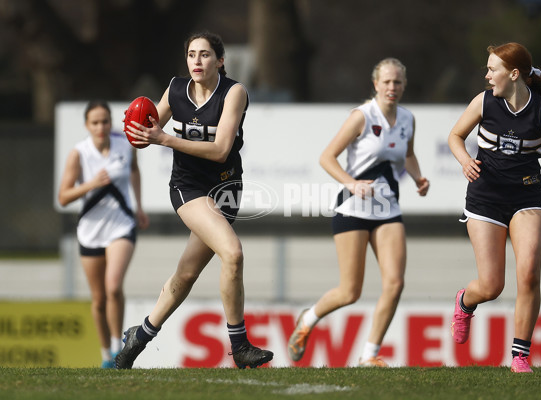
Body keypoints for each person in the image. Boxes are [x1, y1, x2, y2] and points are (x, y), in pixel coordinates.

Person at [115, 31, 273, 369]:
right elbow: (146, 130)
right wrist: (136, 131)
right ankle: (240, 345)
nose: (197, 61)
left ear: (220, 61)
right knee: (232, 253)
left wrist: (163, 139)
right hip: (188, 187)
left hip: (226, 187)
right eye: (191, 55)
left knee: (186, 275)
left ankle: (138, 337)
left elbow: (220, 151)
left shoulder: (234, 92)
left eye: (204, 55)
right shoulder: (175, 89)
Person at [287, 58, 430, 367]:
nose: (392, 87)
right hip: (352, 208)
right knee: (350, 291)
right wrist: (351, 183)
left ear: (404, 86)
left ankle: (369, 356)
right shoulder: (361, 117)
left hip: (387, 208)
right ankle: (308, 319)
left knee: (395, 284)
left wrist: (418, 177)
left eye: (398, 82)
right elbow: (327, 157)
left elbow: (408, 154)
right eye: (387, 82)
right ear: (375, 84)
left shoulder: (407, 119)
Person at [448, 42, 541, 373]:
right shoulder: (483, 102)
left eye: (493, 69)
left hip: (527, 197)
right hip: (485, 199)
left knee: (529, 273)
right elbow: (455, 136)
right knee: (492, 286)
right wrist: (465, 160)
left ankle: (520, 356)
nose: (488, 75)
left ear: (514, 74)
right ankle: (465, 302)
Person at [58, 100, 149, 368]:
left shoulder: (125, 146)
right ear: (87, 125)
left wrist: (139, 207)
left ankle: (118, 346)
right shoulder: (79, 153)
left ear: (111, 123)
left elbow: (134, 171)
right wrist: (91, 184)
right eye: (95, 122)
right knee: (98, 299)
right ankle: (106, 354)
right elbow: (63, 197)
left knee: (113, 286)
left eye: (105, 121)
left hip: (121, 226)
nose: (101, 127)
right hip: (90, 230)